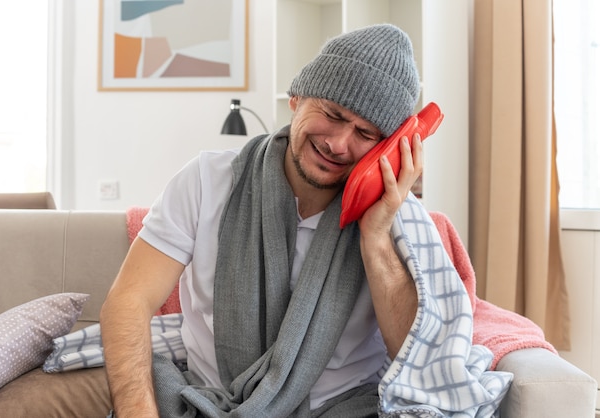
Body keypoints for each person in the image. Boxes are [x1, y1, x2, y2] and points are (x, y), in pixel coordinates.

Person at [101, 23, 424, 417]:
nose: (339, 143)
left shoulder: (398, 214)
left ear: (387, 148)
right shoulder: (205, 181)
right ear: (296, 98)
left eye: (365, 133)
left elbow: (415, 357)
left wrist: (375, 237)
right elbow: (129, 301)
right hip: (212, 403)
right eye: (333, 113)